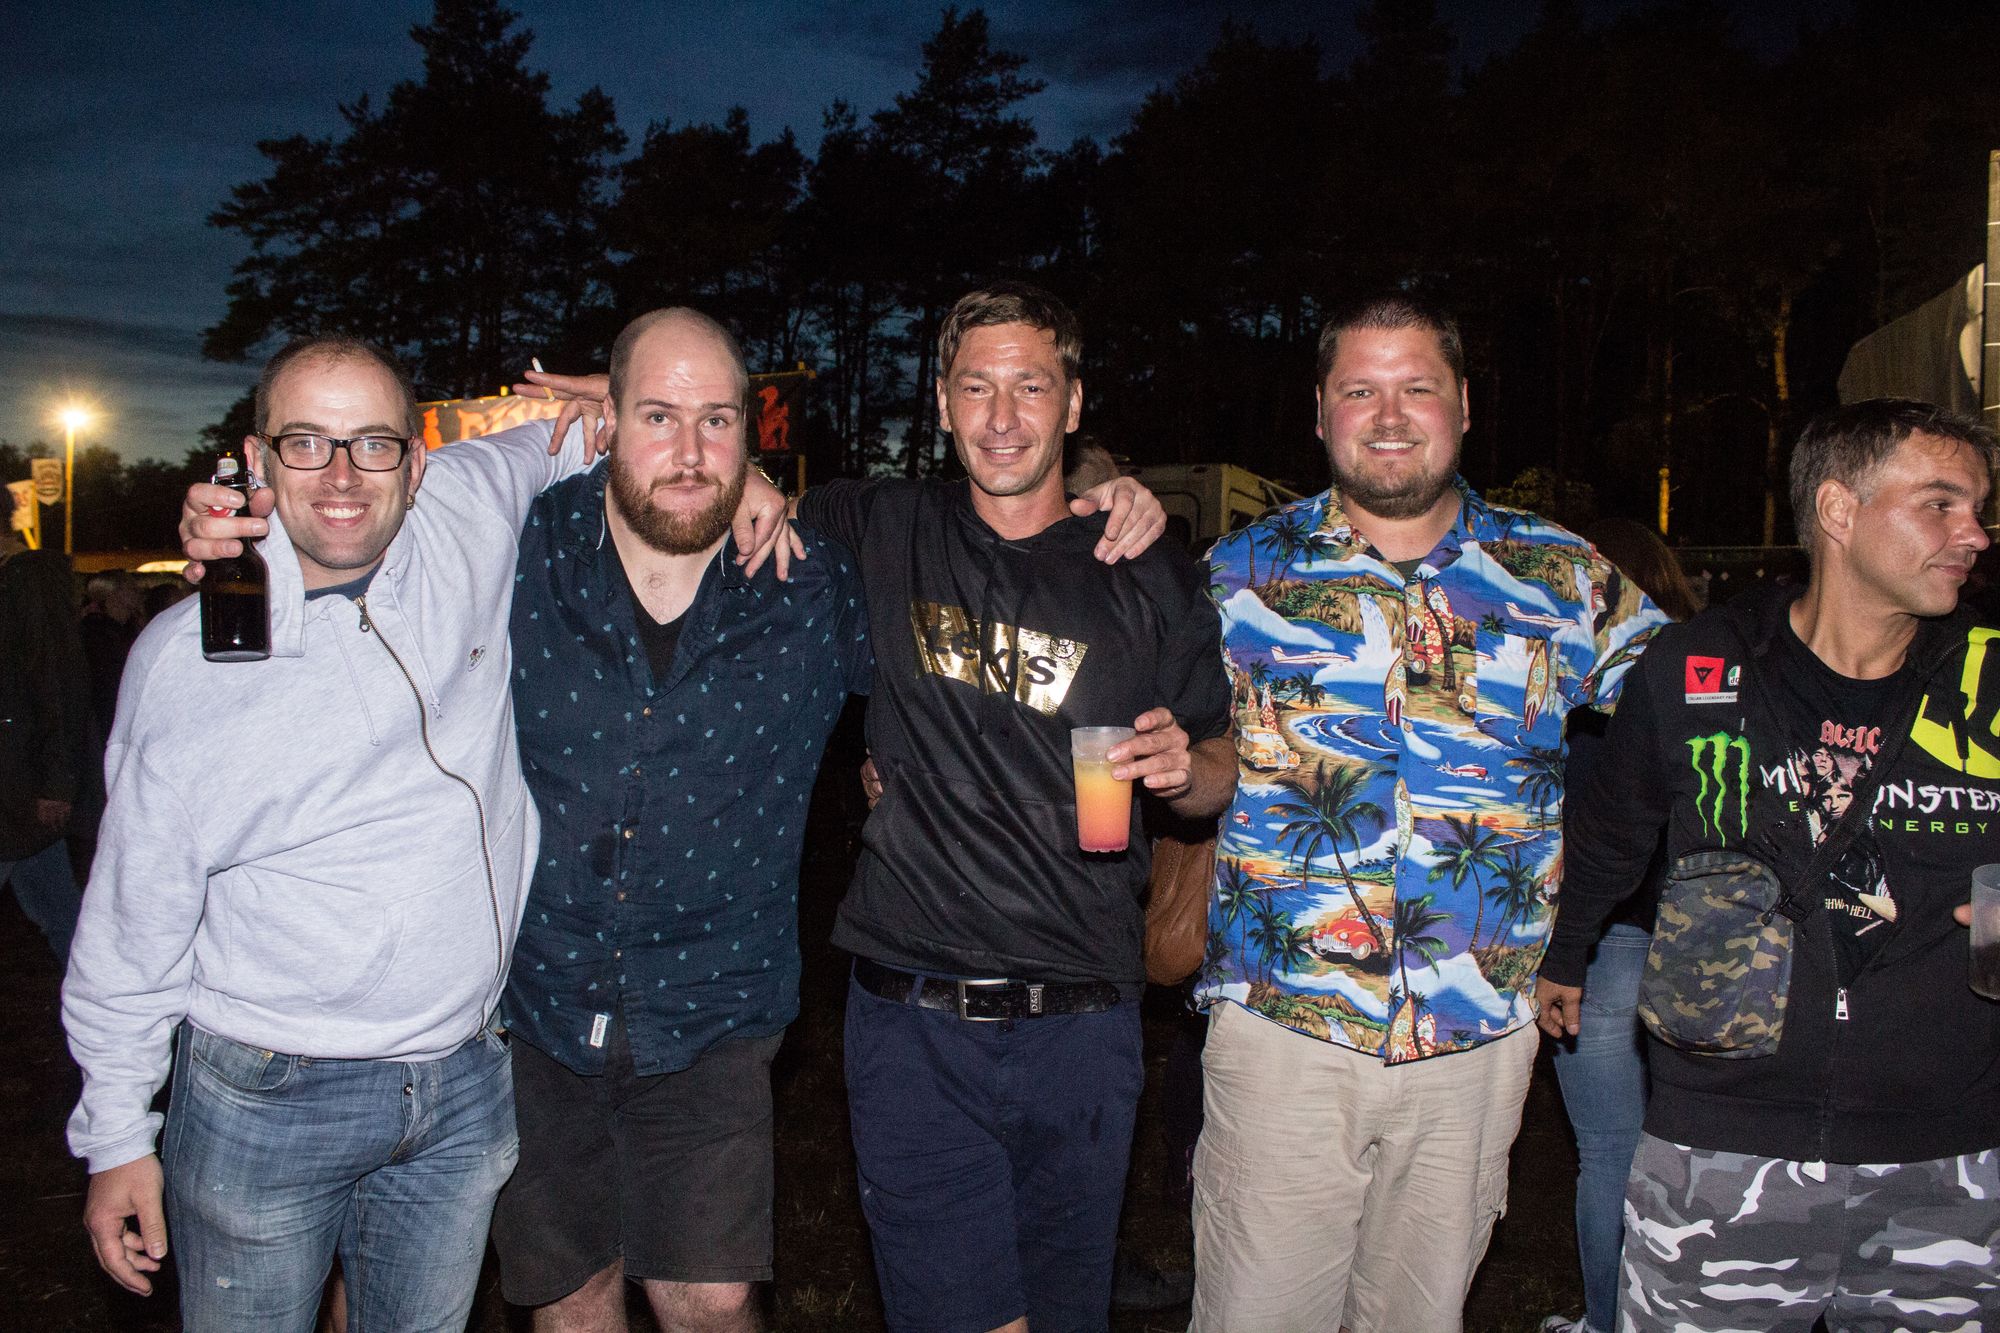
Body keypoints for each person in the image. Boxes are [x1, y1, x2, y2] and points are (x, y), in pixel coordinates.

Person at [63, 334, 596, 1331]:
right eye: (306, 443)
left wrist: (729, 470)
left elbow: (625, 428)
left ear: (419, 460)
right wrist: (117, 1134)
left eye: (373, 444)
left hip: (464, 1076)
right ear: (253, 462)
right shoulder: (189, 663)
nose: (343, 475)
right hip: (267, 1094)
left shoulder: (465, 508)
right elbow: (133, 918)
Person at [1191, 293, 1666, 1333]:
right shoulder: (1235, 576)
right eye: (1360, 390)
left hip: (1478, 1031)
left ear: (1463, 405)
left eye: (1417, 388)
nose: (1389, 414)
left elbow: (1695, 715)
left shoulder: (1558, 575)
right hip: (1282, 1026)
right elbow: (1129, 717)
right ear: (1320, 412)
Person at [796, 281, 1233, 1333]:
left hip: (1082, 1025)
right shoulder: (885, 525)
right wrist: (612, 409)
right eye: (975, 387)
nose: (1001, 416)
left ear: (1072, 402)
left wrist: (1185, 769)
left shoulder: (1145, 569)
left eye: (1030, 387)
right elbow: (717, 485)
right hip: (912, 1017)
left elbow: (1220, 763)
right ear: (941, 404)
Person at [1539, 398, 2000, 1332]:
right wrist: (1567, 951)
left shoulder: (1989, 678)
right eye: (1941, 504)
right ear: (1838, 509)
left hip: (1946, 1156)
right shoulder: (1697, 664)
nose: (1976, 535)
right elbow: (1613, 831)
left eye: (1979, 509)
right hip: (1723, 1147)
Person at [486, 308, 870, 1333]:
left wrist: (1096, 515)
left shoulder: (810, 586)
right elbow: (353, 522)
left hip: (715, 1008)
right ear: (607, 417)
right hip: (534, 1000)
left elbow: (963, 633)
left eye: (717, 421)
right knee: (570, 1300)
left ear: (752, 430)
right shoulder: (516, 548)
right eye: (659, 416)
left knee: (709, 1300)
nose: (691, 451)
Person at [1537, 517, 1701, 1333]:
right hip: (1687, 935)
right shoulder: (1692, 676)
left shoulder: (1567, 685)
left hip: (1596, 938)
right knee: (1682, 1148)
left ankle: (1607, 1322)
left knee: (1608, 1149)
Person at [0, 533, 90, 966]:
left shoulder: (28, 584)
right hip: (20, 780)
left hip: (20, 780)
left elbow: (55, 684)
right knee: (59, 909)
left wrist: (55, 782)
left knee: (59, 910)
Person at [78, 568, 145, 740]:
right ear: (113, 593)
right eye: (130, 587)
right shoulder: (96, 633)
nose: (137, 591)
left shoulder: (128, 630)